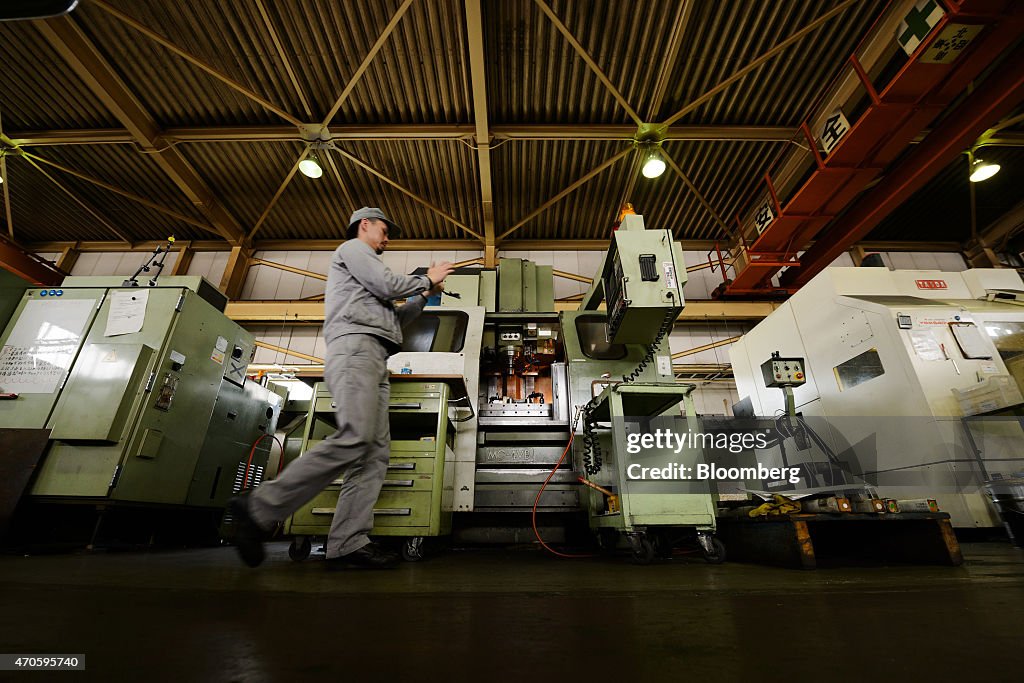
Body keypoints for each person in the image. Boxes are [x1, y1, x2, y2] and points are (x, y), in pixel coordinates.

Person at [227, 207, 454, 569]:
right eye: (384, 230)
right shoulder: (353, 250)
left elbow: (397, 322)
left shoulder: (365, 283)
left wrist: (423, 296)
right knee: (355, 437)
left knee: (374, 454)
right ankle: (259, 506)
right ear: (365, 225)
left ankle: (348, 542)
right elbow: (388, 284)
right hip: (356, 350)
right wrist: (426, 278)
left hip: (376, 356)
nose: (387, 238)